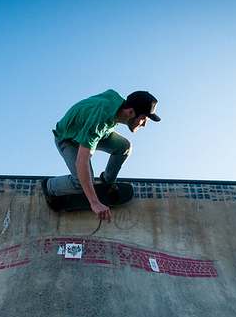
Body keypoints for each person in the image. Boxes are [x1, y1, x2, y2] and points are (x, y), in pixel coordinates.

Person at [42, 89, 160, 222]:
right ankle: (49, 186)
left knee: (124, 148)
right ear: (131, 112)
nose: (144, 124)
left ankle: (108, 181)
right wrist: (94, 202)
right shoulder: (99, 121)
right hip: (69, 139)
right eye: (143, 119)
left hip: (96, 133)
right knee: (81, 182)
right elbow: (81, 162)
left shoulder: (119, 103)